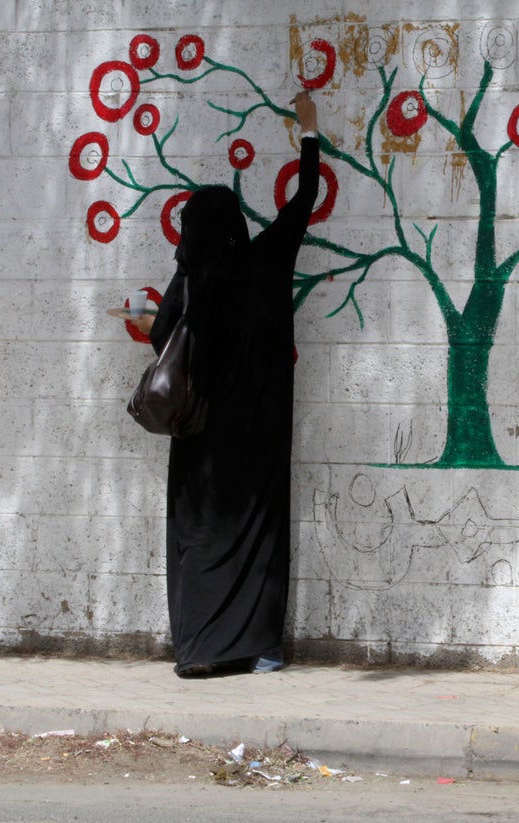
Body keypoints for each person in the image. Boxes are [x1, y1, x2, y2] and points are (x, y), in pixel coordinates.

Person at [131, 91, 320, 677]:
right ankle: (260, 649)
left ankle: (199, 651)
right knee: (258, 534)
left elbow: (162, 337)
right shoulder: (266, 261)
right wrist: (308, 132)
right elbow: (303, 199)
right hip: (258, 438)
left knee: (199, 540)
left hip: (200, 444)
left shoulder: (189, 283)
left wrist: (144, 321)